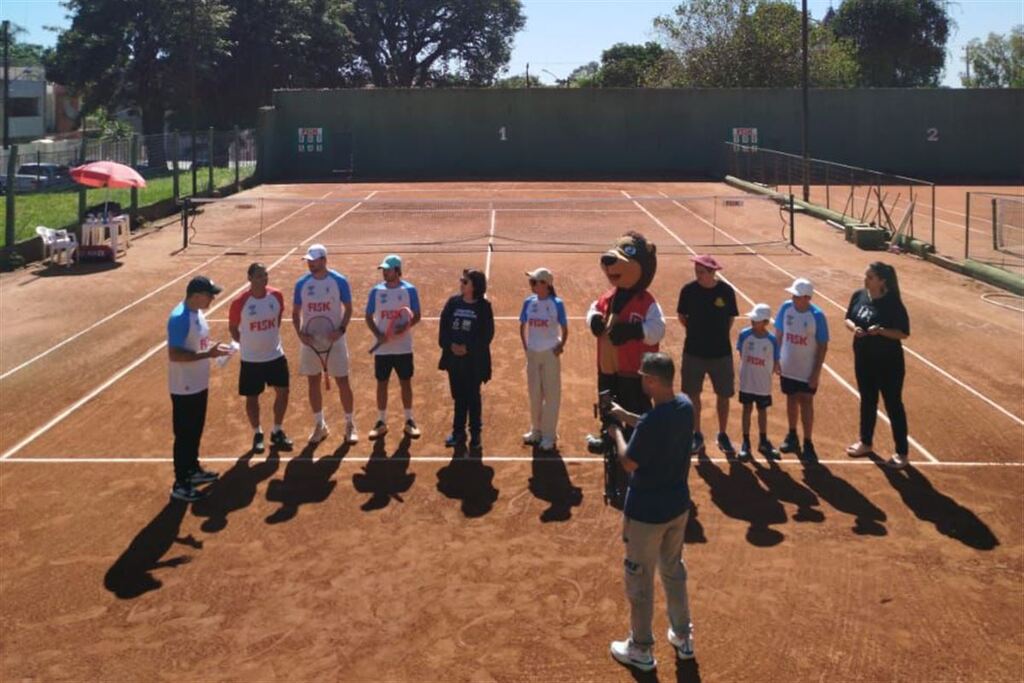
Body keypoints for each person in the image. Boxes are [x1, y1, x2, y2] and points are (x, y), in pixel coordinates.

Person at [605, 352, 696, 672]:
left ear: (654, 381)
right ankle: (683, 637)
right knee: (673, 570)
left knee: (639, 580)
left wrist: (615, 432)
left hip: (646, 514)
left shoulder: (654, 421)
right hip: (677, 508)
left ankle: (641, 648)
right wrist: (621, 413)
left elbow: (629, 461)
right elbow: (649, 424)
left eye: (644, 376)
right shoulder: (684, 406)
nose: (641, 380)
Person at [167, 276, 230, 502]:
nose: (213, 298)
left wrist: (216, 350)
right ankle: (180, 483)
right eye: (210, 294)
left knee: (195, 431)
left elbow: (200, 344)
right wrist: (208, 355)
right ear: (196, 295)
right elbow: (174, 354)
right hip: (183, 386)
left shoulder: (198, 314)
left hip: (198, 383)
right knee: (184, 435)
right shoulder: (179, 318)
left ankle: (193, 471)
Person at [844, 262, 911, 469]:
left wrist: (881, 331)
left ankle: (902, 452)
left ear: (882, 281)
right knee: (867, 400)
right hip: (864, 359)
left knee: (893, 405)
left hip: (889, 364)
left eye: (870, 277)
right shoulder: (859, 295)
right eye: (866, 276)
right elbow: (847, 318)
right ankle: (865, 442)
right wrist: (854, 328)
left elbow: (903, 333)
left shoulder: (893, 304)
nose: (866, 279)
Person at [292, 244, 358, 445]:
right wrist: (300, 334)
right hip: (310, 340)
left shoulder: (339, 281)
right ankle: (320, 425)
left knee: (342, 381)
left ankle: (349, 424)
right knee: (313, 381)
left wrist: (341, 330)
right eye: (308, 260)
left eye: (314, 260)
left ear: (324, 260)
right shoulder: (301, 283)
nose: (310, 264)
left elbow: (348, 309)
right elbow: (295, 313)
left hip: (334, 339)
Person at [676, 254, 739, 458]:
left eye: (702, 272)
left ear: (713, 273)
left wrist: (716, 335)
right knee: (693, 394)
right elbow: (682, 317)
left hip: (721, 354)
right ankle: (697, 434)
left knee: (723, 395)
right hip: (693, 352)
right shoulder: (688, 291)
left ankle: (722, 433)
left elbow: (730, 318)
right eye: (696, 272)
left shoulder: (726, 292)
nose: (698, 275)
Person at [228, 263, 293, 454]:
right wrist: (246, 345)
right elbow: (233, 328)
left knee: (283, 391)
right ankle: (257, 433)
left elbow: (277, 320)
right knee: (252, 397)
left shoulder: (277, 296)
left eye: (265, 275)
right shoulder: (240, 302)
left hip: (275, 355)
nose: (263, 279)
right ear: (249, 278)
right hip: (251, 360)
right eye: (258, 276)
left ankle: (277, 430)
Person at [364, 254, 422, 440]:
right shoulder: (376, 291)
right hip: (383, 349)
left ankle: (409, 420)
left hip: (403, 348)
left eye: (388, 270)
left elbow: (417, 315)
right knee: (382, 384)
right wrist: (378, 334)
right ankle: (381, 422)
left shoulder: (409, 290)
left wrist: (405, 327)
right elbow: (368, 315)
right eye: (383, 270)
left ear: (397, 271)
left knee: (406, 382)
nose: (385, 273)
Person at [438, 269, 494, 451]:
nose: (461, 284)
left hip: (474, 361)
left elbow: (487, 335)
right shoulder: (453, 303)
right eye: (461, 280)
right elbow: (444, 327)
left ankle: (476, 434)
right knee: (459, 397)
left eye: (465, 281)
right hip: (455, 360)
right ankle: (458, 432)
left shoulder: (484, 307)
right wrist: (450, 345)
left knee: (473, 397)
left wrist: (468, 348)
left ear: (474, 286)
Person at [776, 277, 829, 461]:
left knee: (806, 401)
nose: (793, 298)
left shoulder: (817, 316)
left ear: (807, 298)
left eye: (797, 295)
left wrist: (816, 373)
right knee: (791, 398)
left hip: (807, 369)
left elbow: (822, 346)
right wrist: (776, 359)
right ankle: (792, 436)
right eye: (793, 295)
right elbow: (779, 334)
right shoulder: (785, 308)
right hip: (788, 366)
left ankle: (808, 442)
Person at [519, 267, 568, 452]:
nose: (530, 285)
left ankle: (549, 435)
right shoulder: (528, 302)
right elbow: (522, 324)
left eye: (533, 282)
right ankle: (536, 430)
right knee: (534, 394)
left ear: (545, 284)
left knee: (551, 395)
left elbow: (564, 327)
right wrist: (526, 346)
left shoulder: (557, 303)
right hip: (533, 354)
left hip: (549, 354)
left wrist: (560, 345)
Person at [735, 303, 781, 460]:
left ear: (766, 322)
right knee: (746, 409)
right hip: (747, 381)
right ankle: (745, 443)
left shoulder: (772, 340)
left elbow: (775, 362)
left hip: (763, 384)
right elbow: (741, 353)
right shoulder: (744, 335)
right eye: (753, 319)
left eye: (757, 320)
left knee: (762, 411)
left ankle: (763, 441)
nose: (753, 322)